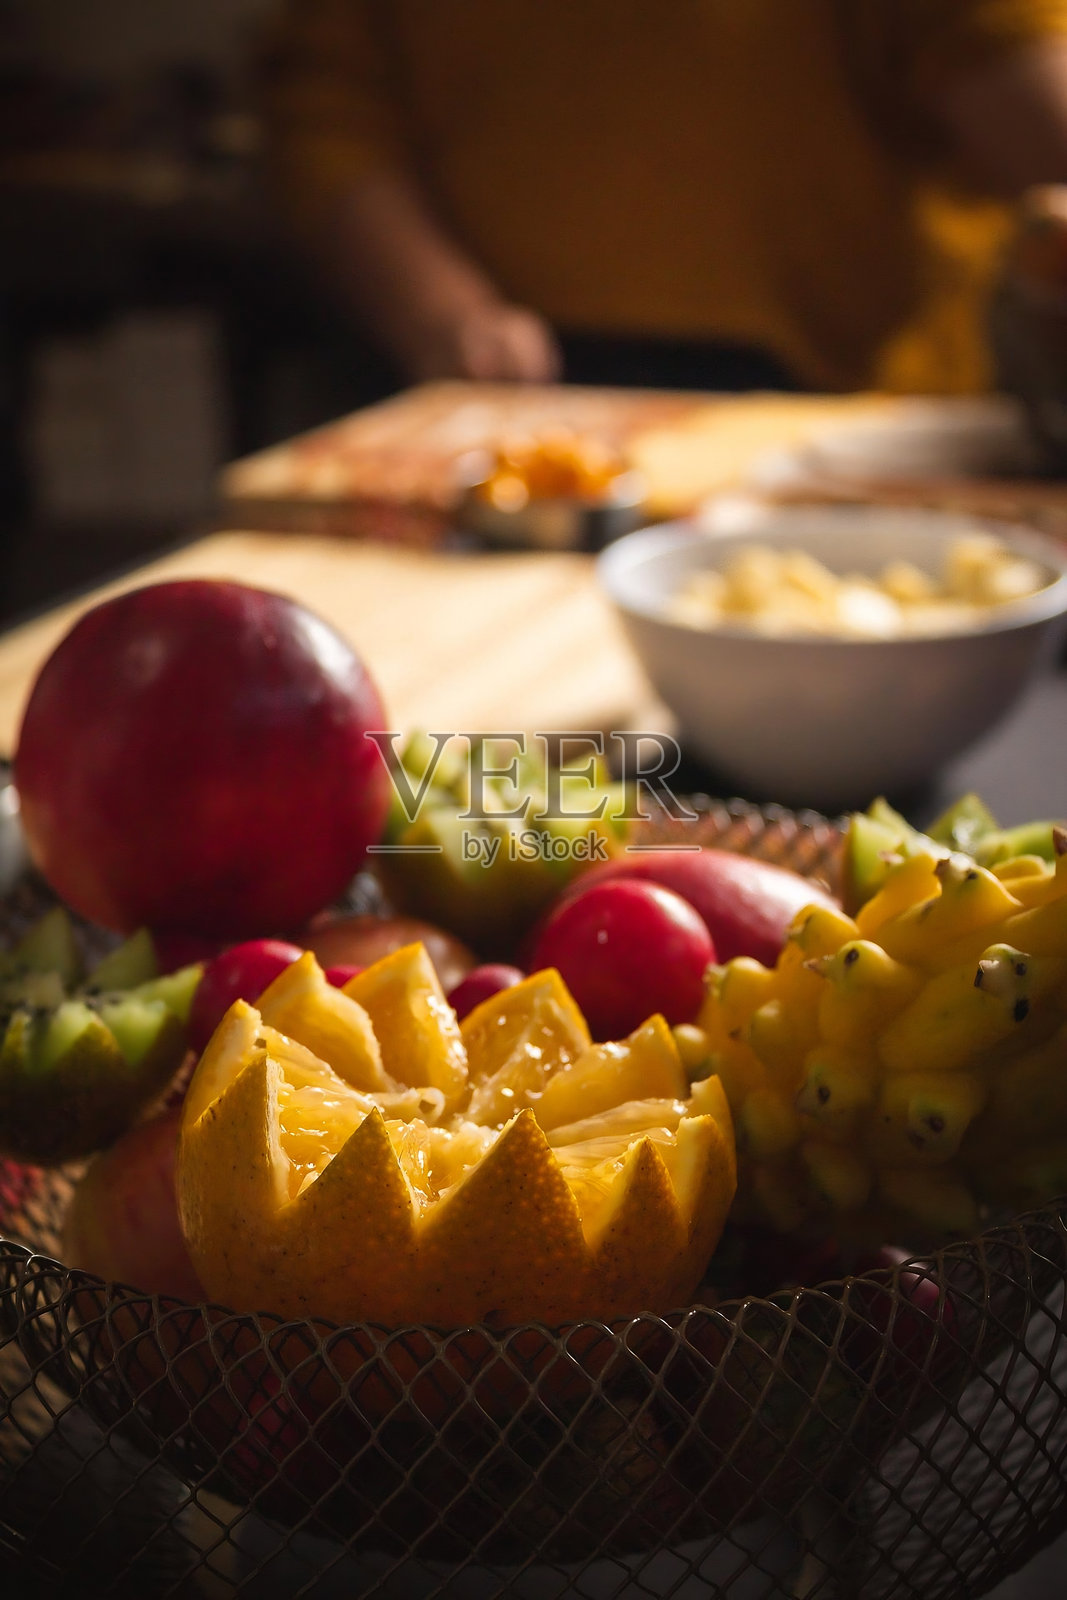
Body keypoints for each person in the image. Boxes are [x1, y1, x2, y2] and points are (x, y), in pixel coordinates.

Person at [258, 1, 1067, 398]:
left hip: (846, 395)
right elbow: (330, 108)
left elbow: (1014, 72)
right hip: (499, 386)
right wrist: (446, 317)